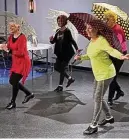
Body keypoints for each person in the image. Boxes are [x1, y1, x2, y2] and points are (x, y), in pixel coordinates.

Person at [74, 22, 129, 135]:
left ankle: (93, 125)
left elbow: (111, 50)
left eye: (90, 28)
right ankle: (109, 117)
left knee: (97, 98)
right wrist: (80, 57)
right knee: (96, 97)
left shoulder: (102, 40)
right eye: (87, 28)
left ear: (97, 29)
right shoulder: (92, 42)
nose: (88, 30)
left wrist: (121, 56)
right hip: (98, 73)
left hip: (105, 73)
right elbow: (91, 55)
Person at [1, 22, 34, 110]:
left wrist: (8, 51)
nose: (11, 28)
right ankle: (29, 93)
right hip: (16, 63)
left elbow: (21, 53)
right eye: (10, 26)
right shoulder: (11, 37)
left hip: (23, 62)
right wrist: (3, 46)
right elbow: (8, 46)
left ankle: (13, 102)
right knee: (12, 81)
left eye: (13, 26)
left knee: (14, 81)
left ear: (17, 27)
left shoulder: (22, 37)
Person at [104, 11, 128, 106]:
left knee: (112, 76)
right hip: (112, 53)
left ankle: (110, 98)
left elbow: (117, 45)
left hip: (120, 54)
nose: (105, 21)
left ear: (113, 19)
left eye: (107, 19)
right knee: (110, 76)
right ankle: (119, 91)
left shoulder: (117, 29)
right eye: (105, 19)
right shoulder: (108, 28)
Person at [49, 15, 79, 92]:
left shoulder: (67, 31)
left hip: (67, 53)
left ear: (65, 22)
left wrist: (77, 49)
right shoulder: (57, 31)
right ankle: (70, 78)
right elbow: (54, 41)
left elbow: (72, 41)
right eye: (58, 21)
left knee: (62, 68)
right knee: (56, 67)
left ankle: (60, 86)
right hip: (59, 53)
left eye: (61, 21)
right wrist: (51, 40)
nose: (59, 22)